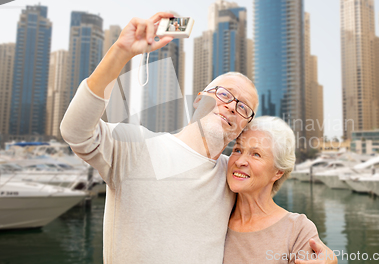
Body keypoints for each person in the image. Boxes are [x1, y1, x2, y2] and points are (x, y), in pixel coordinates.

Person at [60, 13, 335, 264]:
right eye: (224, 94)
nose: (231, 106)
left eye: (243, 107)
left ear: (242, 127)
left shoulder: (231, 175)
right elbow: (75, 131)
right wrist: (120, 53)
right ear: (199, 100)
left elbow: (269, 219)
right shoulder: (136, 146)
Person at [224, 116, 336, 264]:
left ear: (278, 172)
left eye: (256, 154)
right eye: (238, 150)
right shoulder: (216, 216)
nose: (239, 161)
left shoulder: (297, 230)